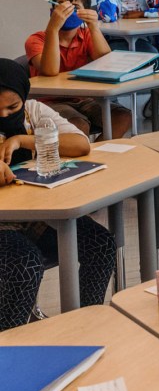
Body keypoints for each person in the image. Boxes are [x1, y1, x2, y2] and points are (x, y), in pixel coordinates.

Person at [0, 58, 115, 330]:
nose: (4, 115)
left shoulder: (33, 112)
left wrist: (23, 140)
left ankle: (85, 327)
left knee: (100, 244)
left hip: (36, 217)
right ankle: (10, 345)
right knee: (25, 264)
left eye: (12, 107)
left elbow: (80, 145)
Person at [24, 0, 132, 138]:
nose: (66, 11)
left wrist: (94, 26)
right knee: (78, 125)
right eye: (60, 6)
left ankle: (98, 154)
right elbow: (50, 70)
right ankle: (81, 153)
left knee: (122, 116)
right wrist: (53, 28)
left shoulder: (86, 34)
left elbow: (107, 61)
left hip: (85, 97)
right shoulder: (36, 39)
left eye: (74, 7)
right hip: (51, 101)